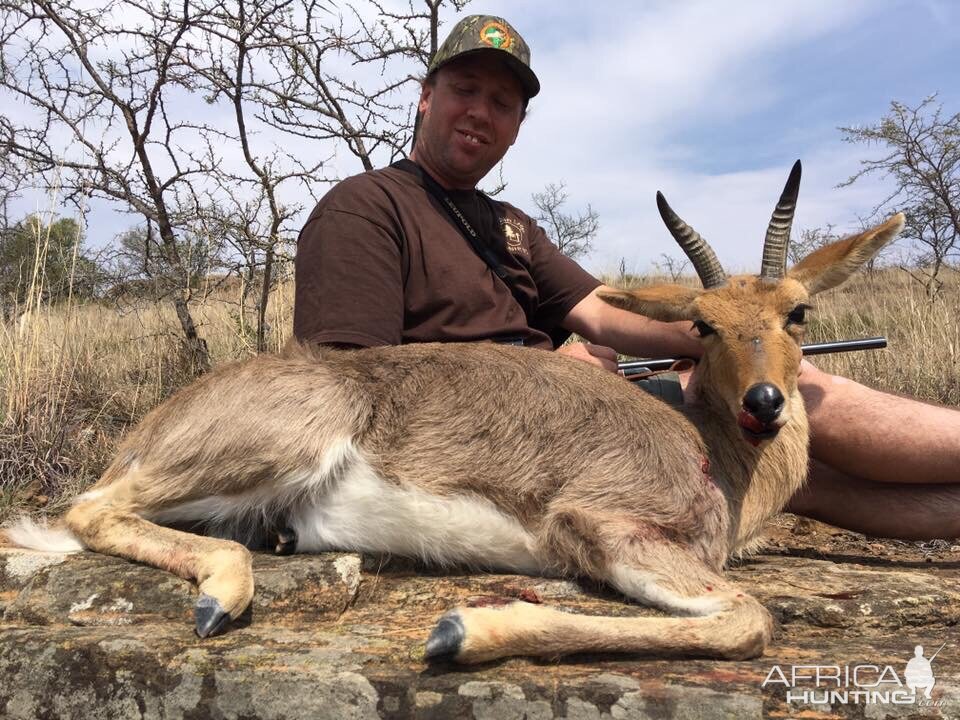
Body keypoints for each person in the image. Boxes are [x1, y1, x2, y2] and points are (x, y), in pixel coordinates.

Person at [295, 14, 960, 540]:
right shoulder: (367, 207)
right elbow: (351, 390)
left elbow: (602, 310)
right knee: (811, 397)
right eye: (465, 90)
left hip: (573, 413)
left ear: (518, 127)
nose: (480, 111)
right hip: (506, 436)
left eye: (501, 102)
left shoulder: (510, 226)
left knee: (780, 450)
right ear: (426, 97)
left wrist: (725, 337)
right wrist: (549, 378)